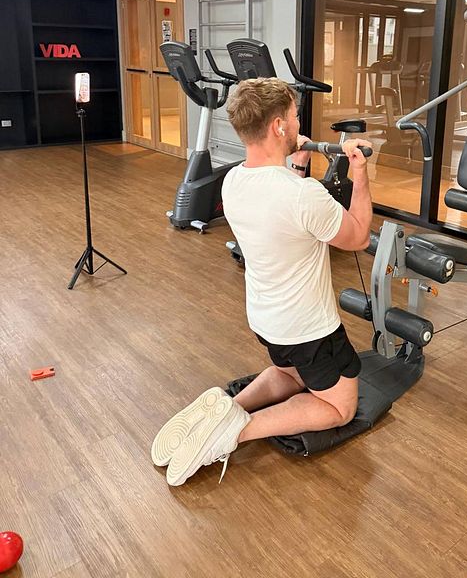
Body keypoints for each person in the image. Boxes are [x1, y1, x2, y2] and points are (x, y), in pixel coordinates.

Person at [151, 77, 373, 486]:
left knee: (289, 375)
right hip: (309, 330)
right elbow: (358, 236)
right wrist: (359, 172)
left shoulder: (234, 180)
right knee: (339, 407)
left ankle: (228, 405)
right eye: (293, 116)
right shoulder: (303, 196)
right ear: (277, 127)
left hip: (265, 321)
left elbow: (285, 203)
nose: (297, 121)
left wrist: (300, 156)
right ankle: (234, 431)